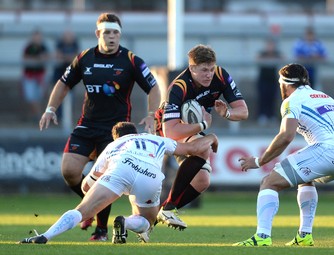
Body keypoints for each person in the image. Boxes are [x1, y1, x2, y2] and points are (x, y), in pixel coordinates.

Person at [38, 13, 161, 241]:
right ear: (98, 34)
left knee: (105, 179)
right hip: (87, 125)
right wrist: (50, 109)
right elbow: (64, 83)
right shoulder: (84, 58)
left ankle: (101, 230)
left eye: (115, 32)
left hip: (115, 131)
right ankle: (88, 208)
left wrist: (152, 114)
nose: (112, 36)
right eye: (107, 32)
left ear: (120, 35)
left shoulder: (131, 60)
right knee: (69, 171)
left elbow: (153, 87)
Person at [19, 121, 219, 244]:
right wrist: (210, 137)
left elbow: (86, 185)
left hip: (120, 168)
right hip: (149, 174)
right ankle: (126, 221)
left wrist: (92, 205)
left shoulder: (112, 146)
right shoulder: (155, 138)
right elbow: (191, 149)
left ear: (115, 137)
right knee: (147, 221)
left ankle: (46, 235)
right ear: (135, 131)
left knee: (81, 210)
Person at [233, 63, 334, 247]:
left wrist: (259, 161)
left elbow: (286, 136)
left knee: (269, 182)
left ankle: (262, 236)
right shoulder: (327, 98)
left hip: (328, 151)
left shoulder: (292, 101)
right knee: (305, 178)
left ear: (284, 84)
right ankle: (304, 236)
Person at [150, 44, 248, 236]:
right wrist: (203, 127)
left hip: (194, 127)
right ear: (192, 68)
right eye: (204, 70)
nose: (209, 74)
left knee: (203, 181)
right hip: (167, 128)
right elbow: (171, 131)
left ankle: (153, 217)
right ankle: (168, 207)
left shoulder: (220, 75)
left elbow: (243, 112)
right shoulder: (179, 87)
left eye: (211, 69)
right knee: (203, 147)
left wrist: (226, 112)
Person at [21, 29, 49, 122]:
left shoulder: (43, 47)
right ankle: (39, 115)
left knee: (39, 96)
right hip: (29, 76)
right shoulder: (28, 47)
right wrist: (37, 58)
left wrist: (37, 59)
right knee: (30, 97)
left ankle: (39, 116)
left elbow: (47, 57)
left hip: (40, 75)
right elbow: (25, 58)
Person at [52, 29, 80, 120]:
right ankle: (58, 117)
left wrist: (66, 57)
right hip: (59, 74)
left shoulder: (75, 44)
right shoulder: (60, 44)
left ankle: (67, 118)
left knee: (70, 97)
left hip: (71, 75)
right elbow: (58, 56)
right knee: (58, 96)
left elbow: (76, 57)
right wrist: (68, 57)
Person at [255, 38, 283, 126]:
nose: (270, 47)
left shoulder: (276, 53)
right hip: (263, 79)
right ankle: (262, 115)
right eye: (269, 45)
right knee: (263, 97)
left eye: (272, 45)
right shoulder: (263, 53)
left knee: (272, 98)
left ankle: (271, 115)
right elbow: (256, 58)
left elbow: (283, 58)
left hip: (273, 80)